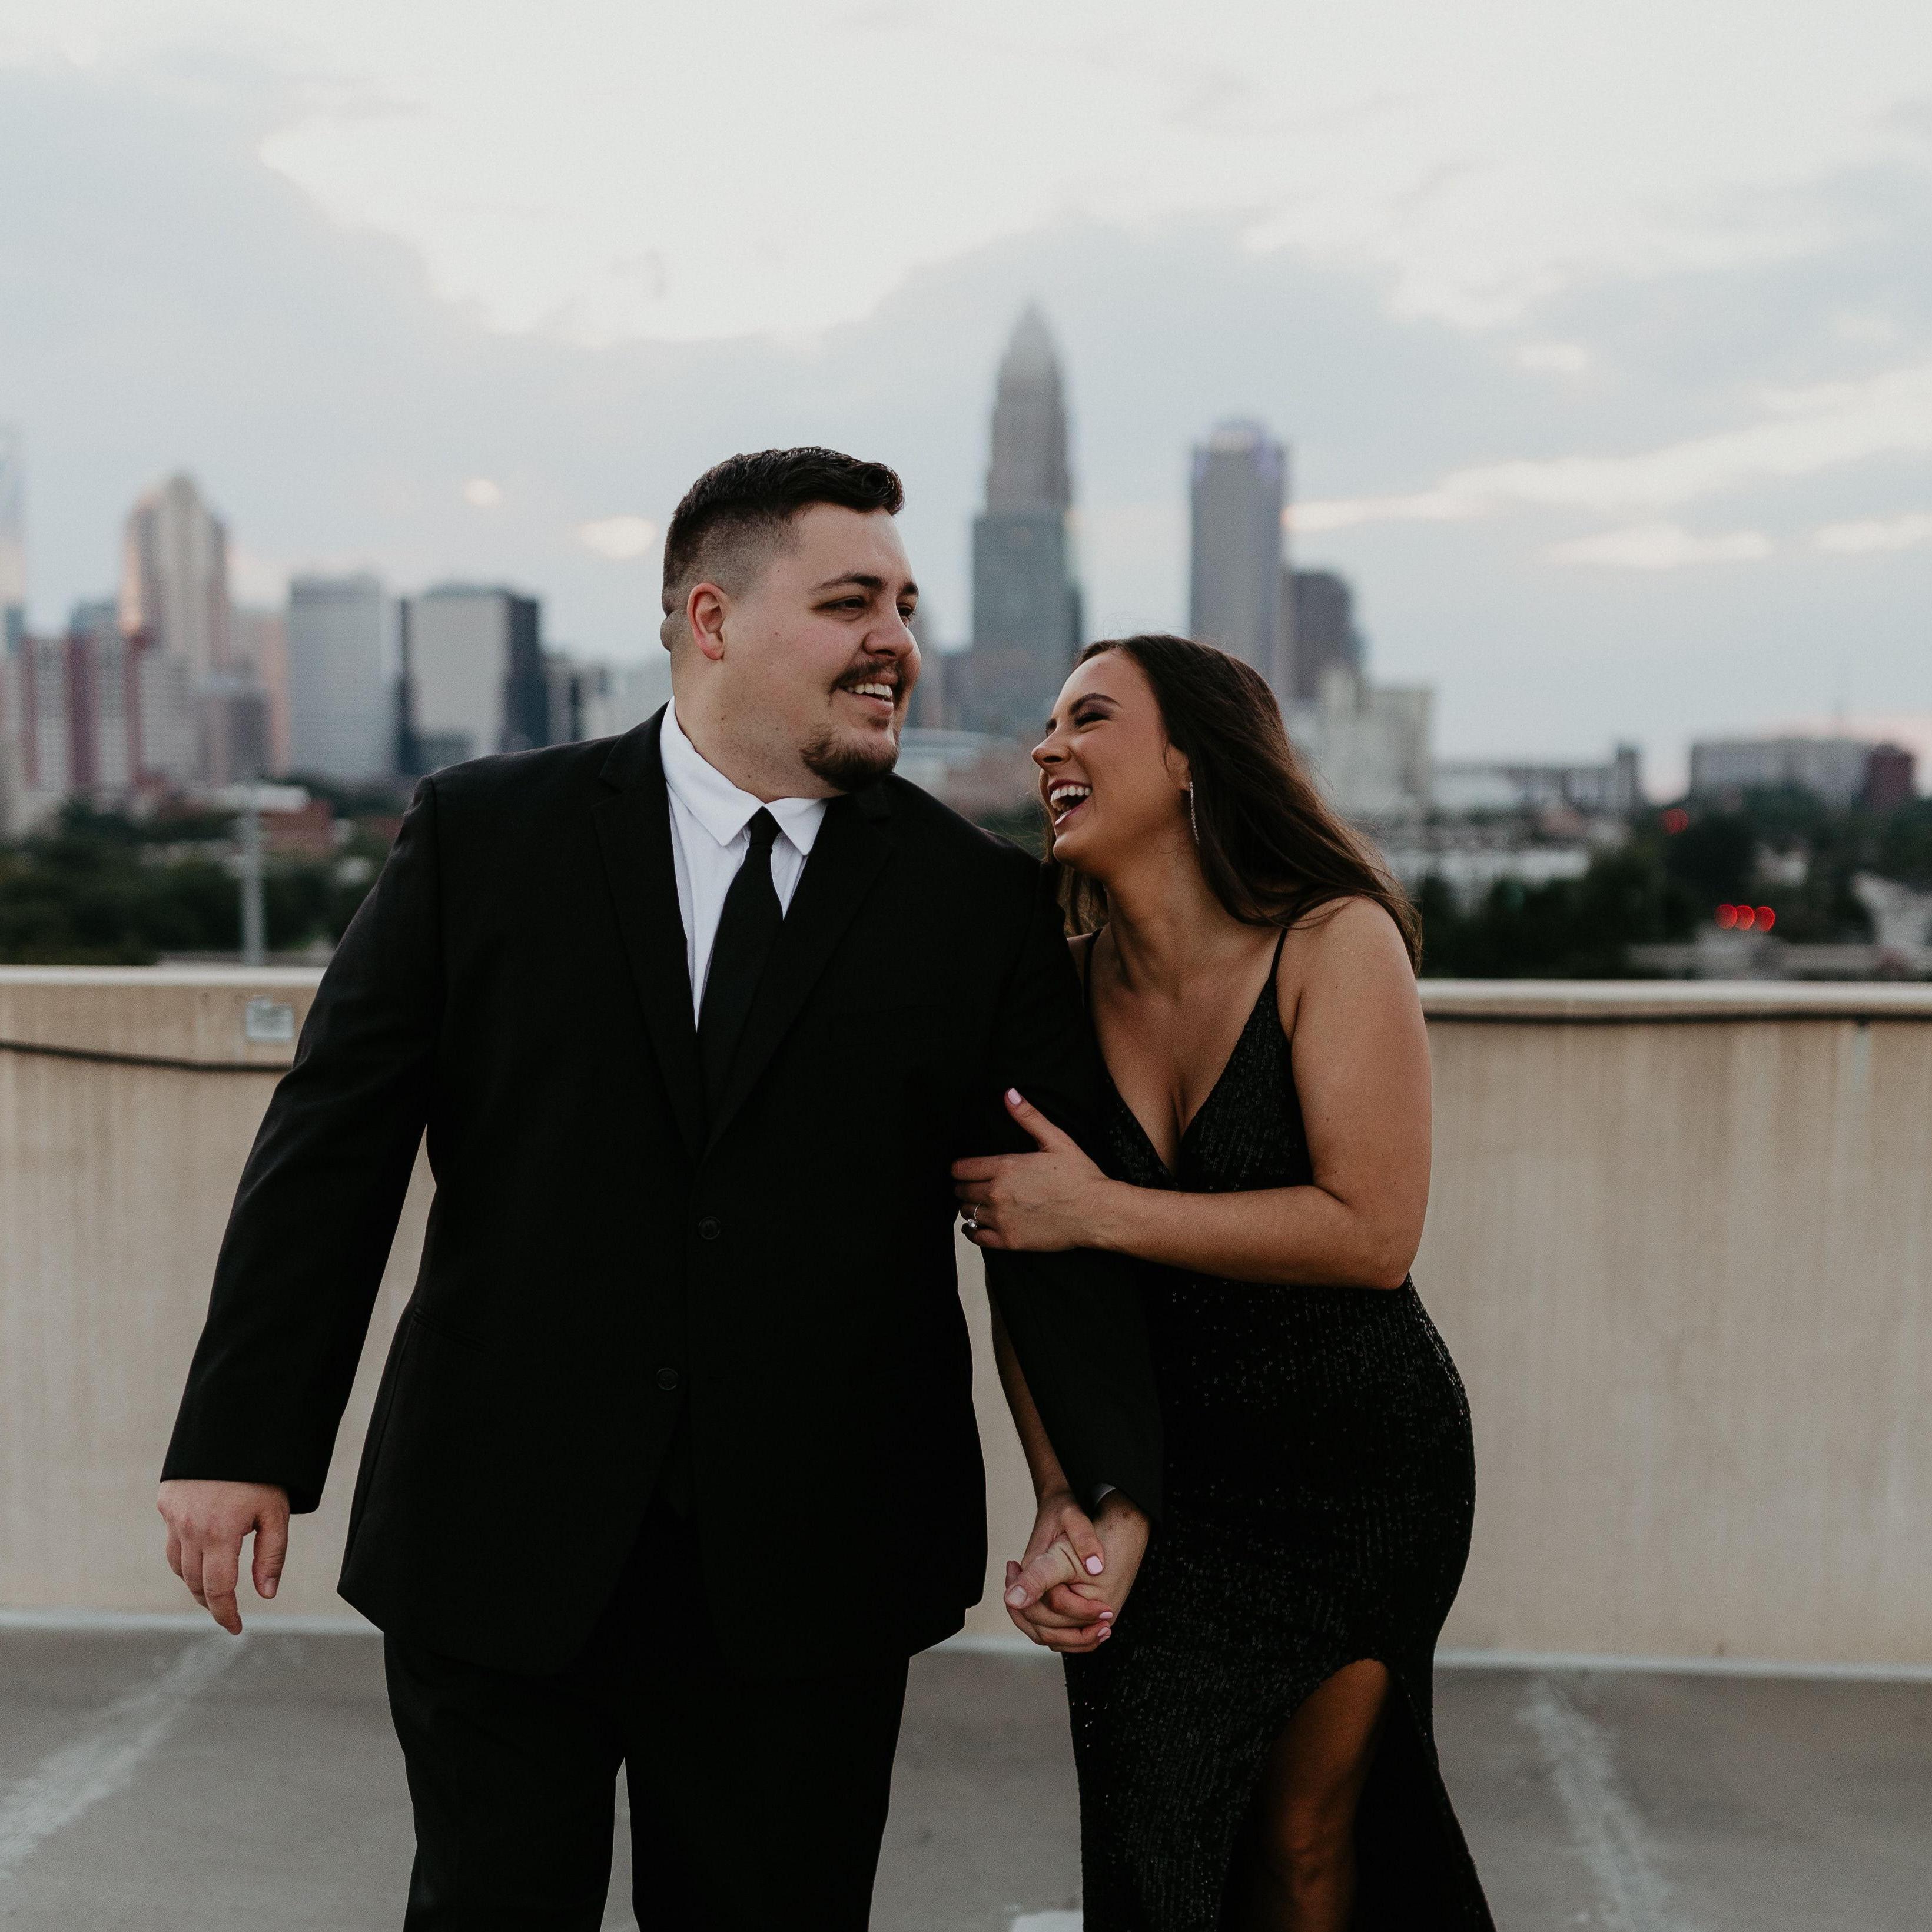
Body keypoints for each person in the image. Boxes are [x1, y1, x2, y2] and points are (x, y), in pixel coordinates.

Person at [157, 448, 1164, 1931]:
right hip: (499, 1530)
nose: (896, 640)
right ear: (711, 618)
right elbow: (331, 1146)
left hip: (818, 1561)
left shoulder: (980, 904)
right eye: (851, 602)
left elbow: (1049, 1221)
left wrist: (1096, 1484)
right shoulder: (484, 834)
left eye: (904, 605)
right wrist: (241, 1438)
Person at [952, 634, 1493, 1931]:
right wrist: (1067, 1494)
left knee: (1304, 1845)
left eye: (1089, 718)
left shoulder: (1333, 938)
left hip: (1353, 1474)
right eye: (1047, 726)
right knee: (1152, 1858)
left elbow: (1372, 1234)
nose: (1046, 748)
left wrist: (1101, 1209)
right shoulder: (1051, 992)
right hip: (1159, 1482)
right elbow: (1028, 1266)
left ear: (1192, 757)